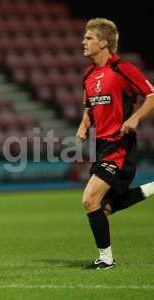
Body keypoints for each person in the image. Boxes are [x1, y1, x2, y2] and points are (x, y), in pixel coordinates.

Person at [76, 18, 154, 269]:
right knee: (104, 207)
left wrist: (135, 117)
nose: (83, 42)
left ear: (103, 42)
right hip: (101, 146)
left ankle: (106, 259)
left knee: (89, 200)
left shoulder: (122, 68)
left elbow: (152, 96)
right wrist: (84, 124)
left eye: (88, 38)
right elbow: (89, 107)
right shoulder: (89, 75)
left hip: (120, 145)